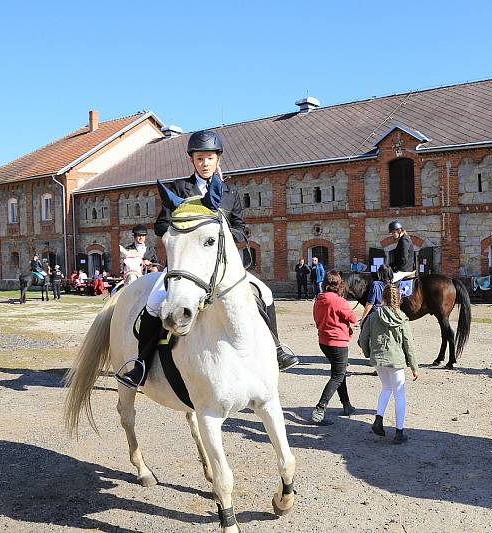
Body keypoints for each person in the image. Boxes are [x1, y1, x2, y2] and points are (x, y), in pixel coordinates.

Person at [115, 130, 298, 389]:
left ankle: (277, 348)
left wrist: (222, 231)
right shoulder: (179, 189)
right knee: (155, 303)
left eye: (209, 158)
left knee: (264, 293)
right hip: (185, 266)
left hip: (221, 267)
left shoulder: (229, 194)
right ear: (192, 161)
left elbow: (241, 228)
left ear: (217, 160)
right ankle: (141, 364)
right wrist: (178, 231)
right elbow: (160, 225)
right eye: (199, 159)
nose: (204, 163)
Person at [359, 283, 419, 444]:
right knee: (399, 393)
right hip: (396, 360)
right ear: (398, 299)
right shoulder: (402, 318)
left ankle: (378, 420)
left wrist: (368, 353)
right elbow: (409, 344)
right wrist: (414, 366)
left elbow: (362, 339)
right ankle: (399, 432)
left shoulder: (372, 316)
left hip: (378, 359)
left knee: (386, 388)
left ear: (382, 298)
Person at [311, 271, 358, 425]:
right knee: (338, 376)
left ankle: (347, 405)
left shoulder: (319, 299)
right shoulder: (339, 301)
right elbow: (353, 318)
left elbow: (316, 318)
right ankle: (320, 408)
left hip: (323, 341)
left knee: (339, 373)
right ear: (339, 285)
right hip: (337, 342)